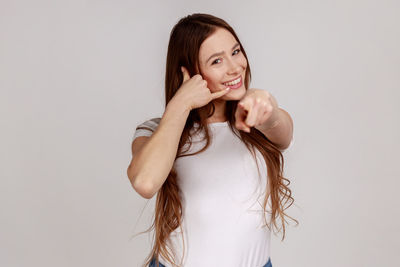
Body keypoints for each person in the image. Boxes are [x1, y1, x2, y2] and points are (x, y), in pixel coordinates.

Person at [127, 13, 297, 267]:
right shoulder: (156, 131)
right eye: (216, 60)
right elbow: (145, 182)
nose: (235, 66)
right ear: (190, 73)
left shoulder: (255, 117)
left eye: (236, 51)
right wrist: (181, 102)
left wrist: (267, 106)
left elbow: (282, 132)